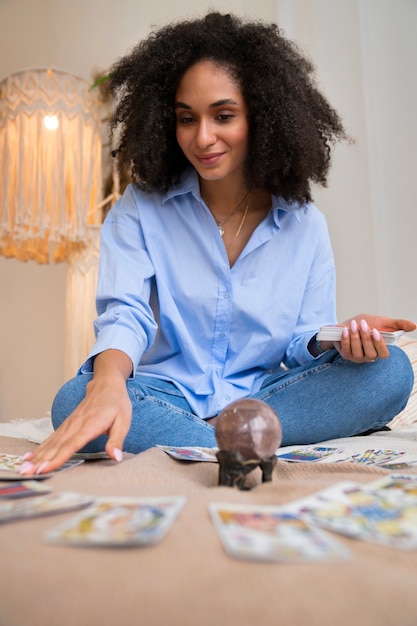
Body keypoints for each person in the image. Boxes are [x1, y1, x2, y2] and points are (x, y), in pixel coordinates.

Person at [20, 12, 415, 476]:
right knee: (74, 398)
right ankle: (239, 439)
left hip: (266, 396)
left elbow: (296, 343)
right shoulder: (141, 207)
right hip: (166, 392)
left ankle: (200, 438)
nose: (202, 137)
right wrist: (107, 383)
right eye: (187, 119)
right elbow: (124, 313)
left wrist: (341, 338)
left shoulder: (305, 225)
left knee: (391, 374)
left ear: (262, 117)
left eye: (223, 116)